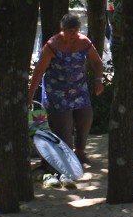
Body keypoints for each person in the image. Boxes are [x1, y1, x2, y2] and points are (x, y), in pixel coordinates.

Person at [27, 13, 105, 164]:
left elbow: (97, 62)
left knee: (86, 117)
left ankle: (80, 151)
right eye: (70, 31)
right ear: (62, 30)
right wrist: (30, 94)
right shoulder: (51, 45)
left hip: (79, 89)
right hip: (57, 91)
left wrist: (98, 80)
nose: (74, 35)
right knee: (64, 126)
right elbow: (39, 71)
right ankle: (67, 159)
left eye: (77, 31)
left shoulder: (84, 42)